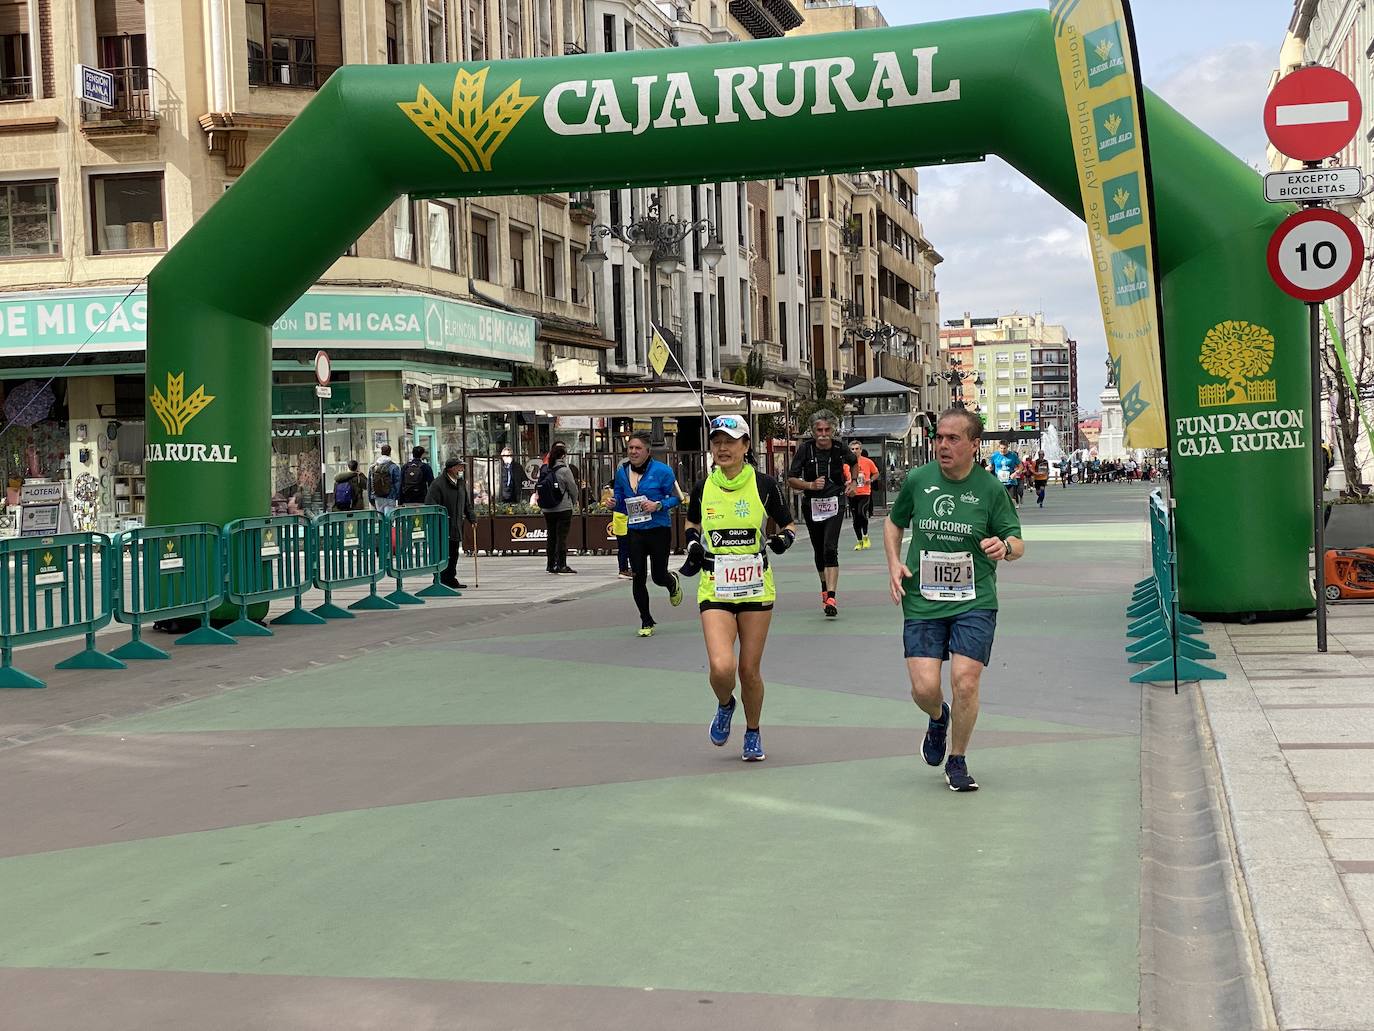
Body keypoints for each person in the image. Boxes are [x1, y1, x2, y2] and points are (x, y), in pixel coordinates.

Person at [885, 408, 1023, 793]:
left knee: (965, 681)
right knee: (925, 688)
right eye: (939, 437)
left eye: (953, 438)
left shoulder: (991, 489)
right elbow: (894, 522)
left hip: (974, 600)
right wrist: (894, 562)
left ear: (974, 445)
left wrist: (1004, 546)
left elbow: (1017, 541)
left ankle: (958, 759)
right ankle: (936, 716)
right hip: (923, 599)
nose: (942, 445)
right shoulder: (918, 480)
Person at [681, 415, 795, 762]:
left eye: (730, 441)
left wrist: (782, 540)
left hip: (756, 587)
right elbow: (691, 524)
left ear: (746, 446)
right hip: (715, 585)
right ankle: (725, 704)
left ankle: (753, 731)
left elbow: (789, 525)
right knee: (721, 667)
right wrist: (692, 544)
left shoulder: (763, 485)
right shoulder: (703, 487)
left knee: (748, 670)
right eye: (717, 442)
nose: (722, 448)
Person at [610, 433, 684, 637]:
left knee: (659, 576)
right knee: (638, 576)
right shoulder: (622, 472)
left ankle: (671, 582)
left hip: (659, 529)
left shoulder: (663, 471)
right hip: (635, 531)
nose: (633, 452)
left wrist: (658, 504)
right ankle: (646, 620)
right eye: (630, 448)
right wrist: (614, 503)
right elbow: (619, 497)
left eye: (637, 448)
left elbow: (678, 498)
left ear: (648, 451)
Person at [787, 410, 854, 618]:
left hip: (835, 501)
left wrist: (852, 482)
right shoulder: (805, 450)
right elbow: (791, 479)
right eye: (819, 430)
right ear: (813, 431)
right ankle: (824, 587)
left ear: (832, 430)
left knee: (829, 547)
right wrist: (810, 485)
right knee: (818, 549)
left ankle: (832, 597)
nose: (823, 434)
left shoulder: (839, 447)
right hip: (813, 504)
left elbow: (853, 460)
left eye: (827, 430)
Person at [425, 457, 476, 589]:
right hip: (442, 526)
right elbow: (430, 504)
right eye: (459, 466)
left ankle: (450, 578)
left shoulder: (460, 483)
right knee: (443, 553)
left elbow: (467, 504)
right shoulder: (438, 484)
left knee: (454, 553)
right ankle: (442, 579)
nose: (462, 469)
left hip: (456, 525)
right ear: (451, 469)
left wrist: (472, 518)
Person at [537, 442, 581, 574]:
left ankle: (550, 565)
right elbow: (573, 489)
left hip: (548, 509)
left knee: (551, 537)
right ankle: (562, 565)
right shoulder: (564, 470)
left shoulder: (545, 468)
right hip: (563, 508)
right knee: (561, 537)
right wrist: (573, 502)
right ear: (562, 456)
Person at [847, 441, 880, 550]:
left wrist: (870, 480)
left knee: (861, 512)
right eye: (852, 449)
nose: (855, 451)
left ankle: (865, 536)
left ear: (861, 450)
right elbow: (842, 476)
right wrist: (846, 482)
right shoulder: (846, 464)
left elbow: (876, 473)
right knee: (855, 517)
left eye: (857, 449)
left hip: (864, 492)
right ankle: (859, 541)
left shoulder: (867, 462)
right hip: (852, 493)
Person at [601, 484, 632, 578]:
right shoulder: (626, 491)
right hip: (625, 522)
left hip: (618, 523)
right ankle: (624, 570)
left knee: (622, 548)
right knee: (628, 548)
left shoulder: (617, 493)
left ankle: (623, 569)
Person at [369, 445, 401, 515]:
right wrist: (398, 497)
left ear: (381, 452)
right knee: (389, 517)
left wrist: (370, 497)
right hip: (390, 496)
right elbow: (397, 484)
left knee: (381, 518)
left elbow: (369, 484)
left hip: (377, 496)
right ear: (390, 453)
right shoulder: (394, 467)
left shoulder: (373, 467)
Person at [988, 441, 1020, 507]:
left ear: (1007, 447)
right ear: (998, 448)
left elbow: (1021, 466)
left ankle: (1011, 515)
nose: (1003, 450)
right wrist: (988, 468)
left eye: (1004, 448)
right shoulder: (995, 456)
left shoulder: (1013, 455)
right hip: (999, 482)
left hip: (1011, 481)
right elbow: (990, 466)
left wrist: (1015, 473)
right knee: (1000, 501)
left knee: (1012, 501)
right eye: (1001, 448)